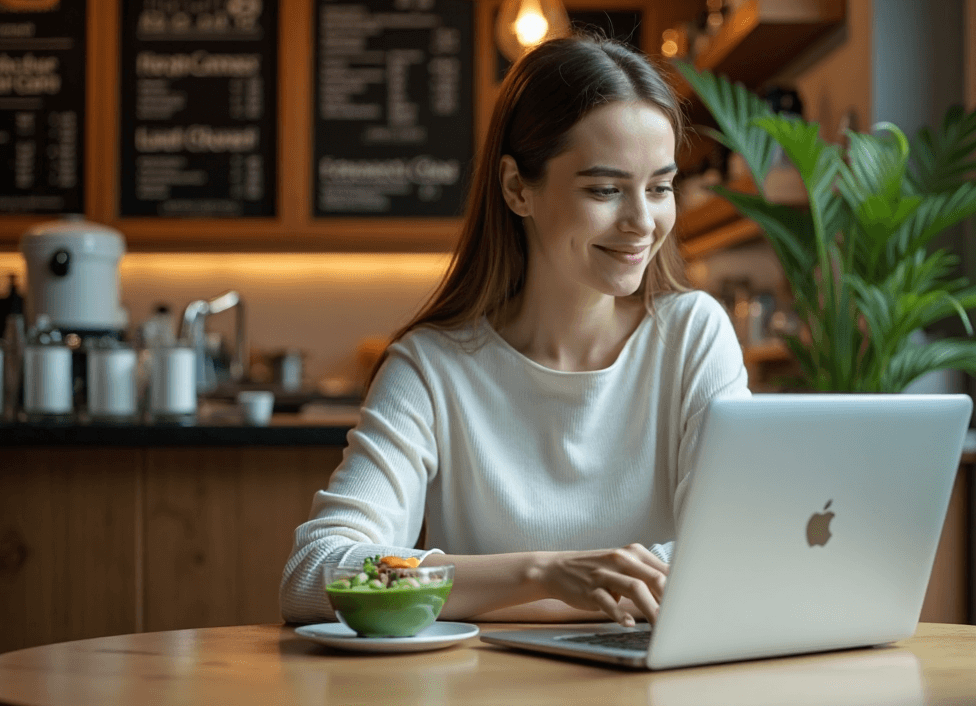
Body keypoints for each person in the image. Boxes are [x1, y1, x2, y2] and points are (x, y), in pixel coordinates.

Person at [279, 34, 749, 628]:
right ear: (516, 188)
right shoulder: (432, 366)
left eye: (659, 187)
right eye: (605, 189)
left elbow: (735, 553)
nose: (641, 222)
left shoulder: (693, 334)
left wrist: (509, 591)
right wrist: (542, 573)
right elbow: (315, 573)